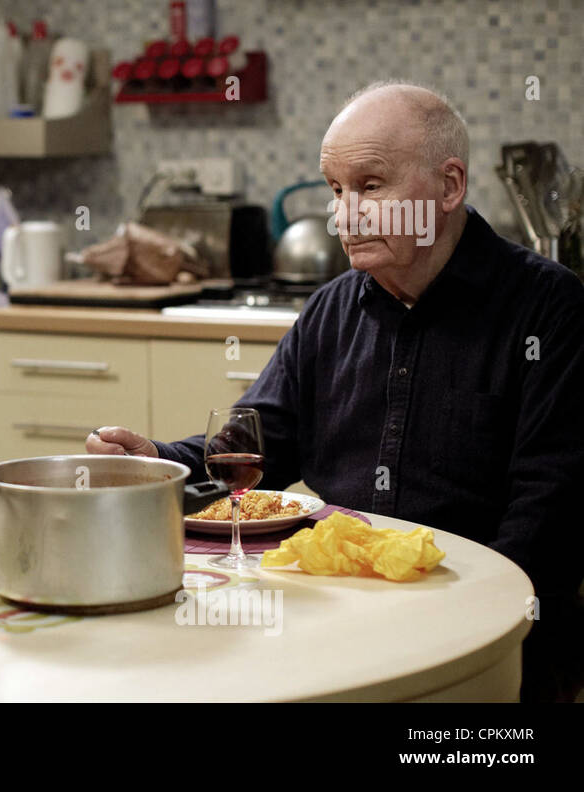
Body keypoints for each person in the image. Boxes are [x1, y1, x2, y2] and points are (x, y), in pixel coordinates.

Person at [87, 81, 584, 702]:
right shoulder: (330, 309)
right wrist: (156, 464)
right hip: (341, 612)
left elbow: (551, 513)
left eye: (371, 186)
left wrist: (470, 622)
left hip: (489, 635)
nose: (345, 216)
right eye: (336, 190)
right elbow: (255, 446)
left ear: (450, 186)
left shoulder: (550, 308)